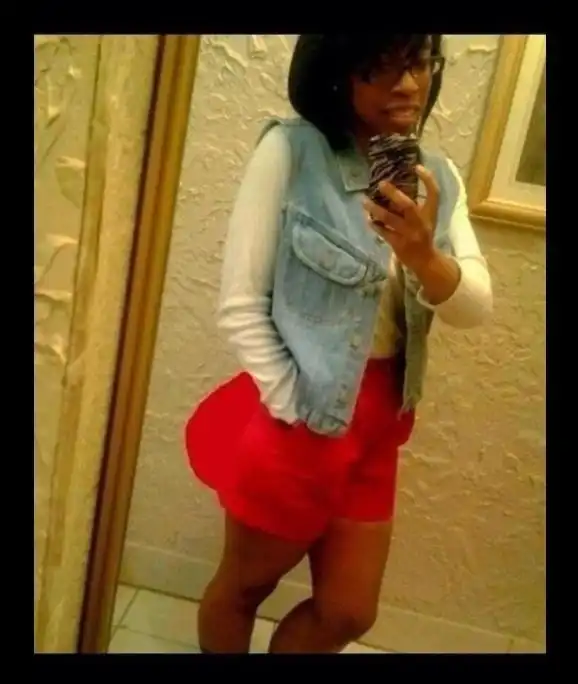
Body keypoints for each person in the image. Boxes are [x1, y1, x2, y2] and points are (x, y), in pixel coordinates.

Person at [185, 34, 492, 654]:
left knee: (349, 611)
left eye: (417, 63)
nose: (407, 85)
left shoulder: (439, 176)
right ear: (337, 73)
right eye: (380, 68)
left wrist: (422, 255)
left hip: (380, 424)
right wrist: (292, 405)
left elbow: (475, 307)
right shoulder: (290, 152)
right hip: (302, 420)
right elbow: (241, 302)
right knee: (244, 586)